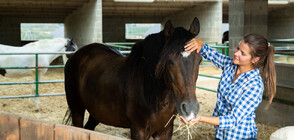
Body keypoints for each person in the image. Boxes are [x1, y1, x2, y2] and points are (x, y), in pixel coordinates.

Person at [180, 33, 276, 140]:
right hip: (221, 135)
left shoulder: (254, 85)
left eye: (242, 53)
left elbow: (233, 119)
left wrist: (200, 118)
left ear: (255, 59)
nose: (236, 53)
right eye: (238, 48)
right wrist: (200, 45)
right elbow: (214, 55)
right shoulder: (230, 66)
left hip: (240, 137)